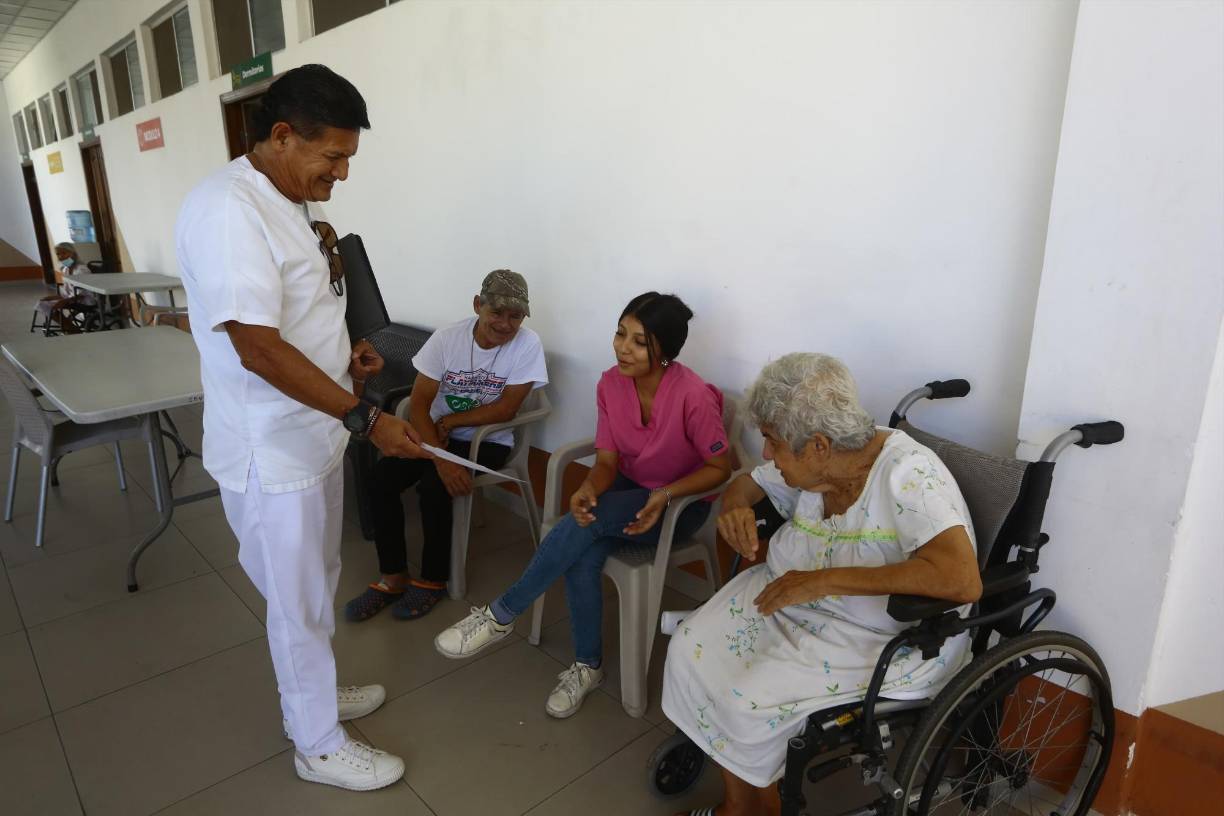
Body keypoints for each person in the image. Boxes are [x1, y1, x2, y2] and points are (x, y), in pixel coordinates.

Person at [175, 64, 429, 792]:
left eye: (349, 158)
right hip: (271, 448)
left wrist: (345, 355)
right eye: (333, 157)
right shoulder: (229, 212)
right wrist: (365, 415)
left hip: (312, 434)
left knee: (315, 584)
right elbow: (255, 347)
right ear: (282, 136)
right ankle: (315, 742)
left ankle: (312, 692)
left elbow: (297, 314)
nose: (342, 174)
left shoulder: (292, 200)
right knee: (293, 601)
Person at [661, 353, 983, 816]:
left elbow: (961, 579)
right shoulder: (818, 463)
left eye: (771, 442)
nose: (767, 453)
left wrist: (824, 581)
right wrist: (733, 506)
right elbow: (746, 484)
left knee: (746, 699)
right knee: (691, 648)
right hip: (792, 601)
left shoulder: (909, 475)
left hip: (874, 638)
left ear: (818, 446)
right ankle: (738, 804)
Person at [433, 292, 732, 718]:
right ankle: (587, 666)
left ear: (665, 351)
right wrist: (588, 487)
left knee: (579, 531)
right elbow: (608, 461)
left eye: (640, 342)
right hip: (628, 492)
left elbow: (720, 467)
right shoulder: (611, 383)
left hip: (681, 505)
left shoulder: (692, 395)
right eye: (620, 333)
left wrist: (664, 495)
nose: (623, 347)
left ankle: (501, 614)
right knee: (582, 549)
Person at [344, 269, 548, 622]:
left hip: (488, 440)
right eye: (496, 313)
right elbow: (419, 404)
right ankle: (392, 576)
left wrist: (452, 423)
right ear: (477, 305)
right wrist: (440, 454)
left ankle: (433, 580)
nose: (505, 323)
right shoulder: (447, 339)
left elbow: (506, 408)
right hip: (431, 432)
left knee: (435, 487)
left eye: (515, 316)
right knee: (380, 480)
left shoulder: (527, 345)